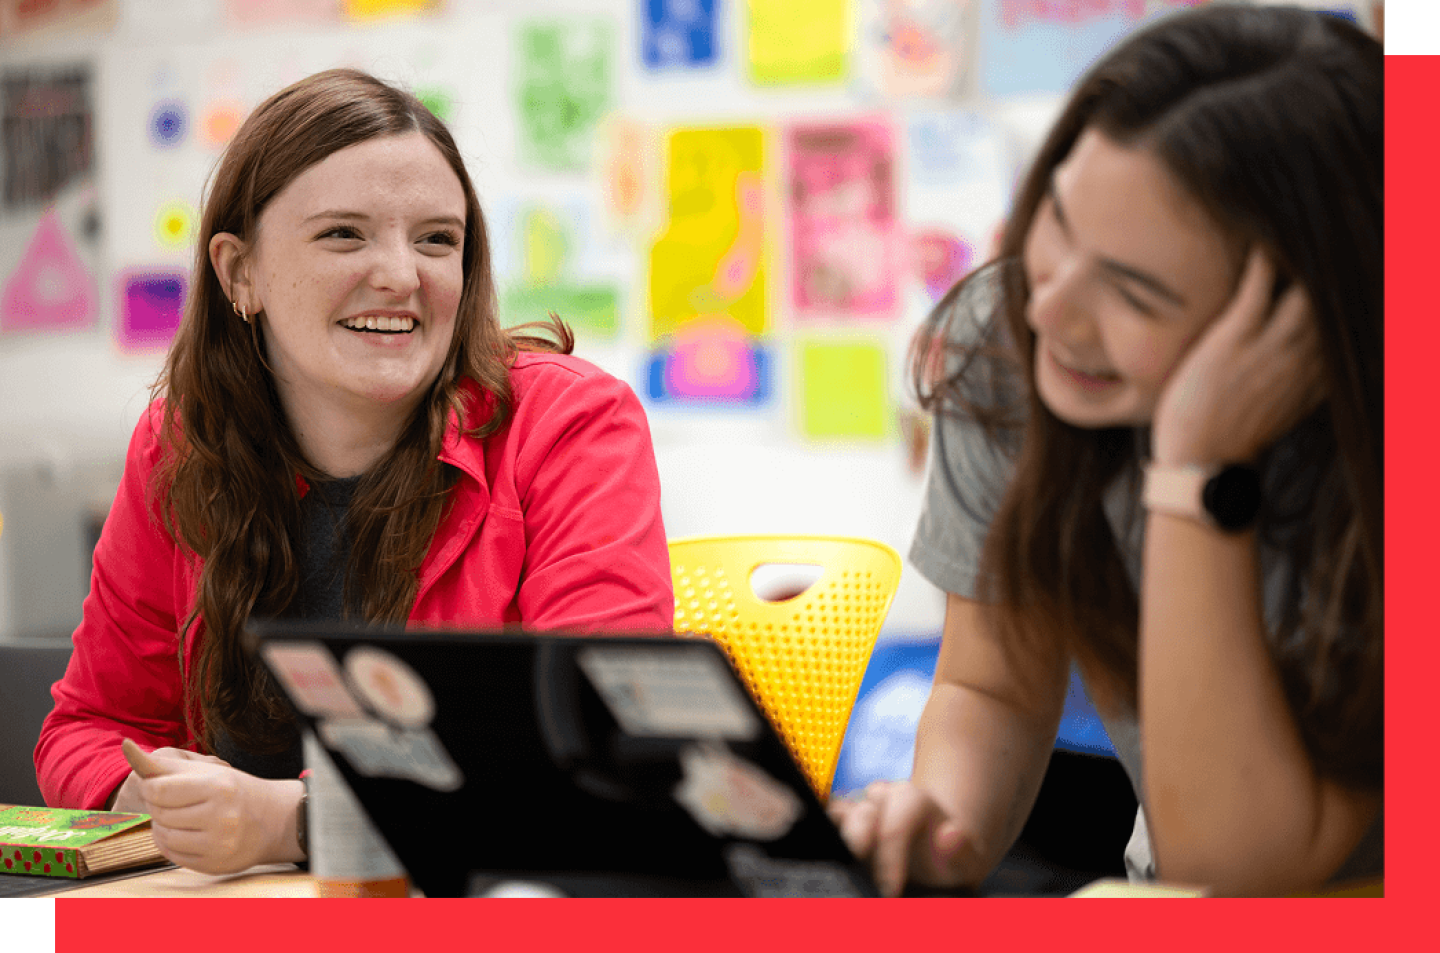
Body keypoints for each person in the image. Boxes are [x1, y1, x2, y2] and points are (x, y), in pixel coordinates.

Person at [37, 69, 674, 875]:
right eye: (345, 233)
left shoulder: (566, 424)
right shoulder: (181, 445)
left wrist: (293, 822)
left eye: (437, 239)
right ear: (240, 273)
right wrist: (164, 799)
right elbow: (87, 728)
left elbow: (599, 750)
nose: (402, 275)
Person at [830, 4, 1382, 897]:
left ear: (1296, 316)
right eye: (1058, 224)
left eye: (1132, 288)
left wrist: (1200, 474)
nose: (1053, 310)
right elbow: (994, 686)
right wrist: (936, 828)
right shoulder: (1010, 344)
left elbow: (1242, 874)